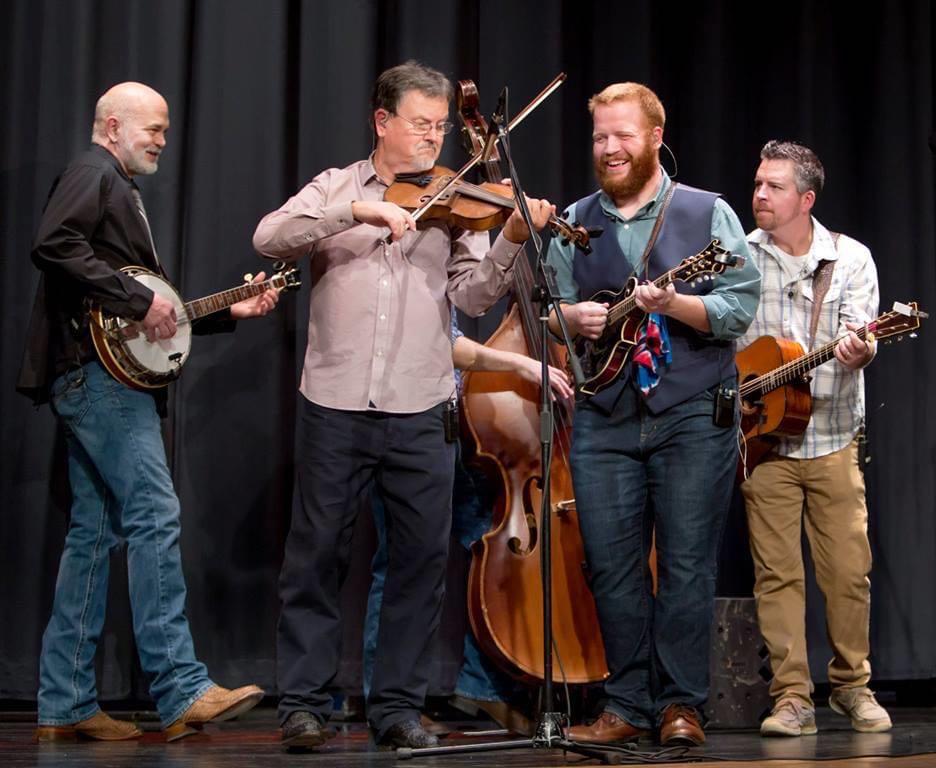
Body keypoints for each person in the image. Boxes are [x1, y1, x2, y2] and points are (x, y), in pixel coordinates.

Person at [251, 60, 554, 751]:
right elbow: (270, 236)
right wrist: (358, 211)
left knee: (419, 561)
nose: (433, 139)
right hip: (333, 400)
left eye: (441, 127)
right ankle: (304, 703)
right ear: (382, 121)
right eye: (421, 124)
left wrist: (510, 239)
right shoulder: (337, 186)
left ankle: (396, 709)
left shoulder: (452, 200)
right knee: (315, 556)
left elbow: (473, 298)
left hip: (421, 407)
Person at [17, 82, 272, 743]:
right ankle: (182, 687)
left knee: (93, 537)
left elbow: (148, 317)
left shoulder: (112, 182)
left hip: (97, 374)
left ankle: (65, 702)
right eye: (151, 127)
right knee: (154, 515)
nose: (162, 138)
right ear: (111, 125)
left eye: (164, 129)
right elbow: (53, 244)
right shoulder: (92, 170)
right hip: (99, 383)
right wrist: (133, 297)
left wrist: (225, 313)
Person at [545, 82, 760, 747]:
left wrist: (674, 306)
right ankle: (626, 704)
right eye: (600, 137)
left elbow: (736, 307)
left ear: (655, 138)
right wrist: (569, 319)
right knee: (610, 564)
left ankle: (680, 706)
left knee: (688, 562)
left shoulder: (706, 214)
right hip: (604, 412)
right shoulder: (576, 219)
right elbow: (549, 308)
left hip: (692, 409)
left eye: (623, 135)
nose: (609, 148)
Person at [739, 140, 891, 737]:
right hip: (765, 440)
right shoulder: (739, 256)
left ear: (806, 199)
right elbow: (727, 337)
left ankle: (853, 686)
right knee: (776, 574)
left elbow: (862, 335)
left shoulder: (849, 259)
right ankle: (792, 698)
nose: (759, 196)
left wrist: (861, 349)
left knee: (848, 572)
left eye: (773, 187)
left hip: (831, 437)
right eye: (757, 184)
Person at [361, 313, 573, 737]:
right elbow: (442, 340)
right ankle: (390, 703)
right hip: (408, 425)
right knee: (403, 564)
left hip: (469, 430)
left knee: (492, 556)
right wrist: (521, 364)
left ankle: (485, 688)